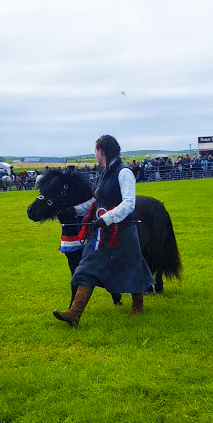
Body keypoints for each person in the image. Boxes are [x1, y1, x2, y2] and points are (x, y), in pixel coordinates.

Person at [53, 135, 155, 327]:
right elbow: (96, 202)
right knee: (87, 266)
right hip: (101, 233)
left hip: (123, 230)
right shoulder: (103, 173)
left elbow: (129, 203)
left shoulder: (124, 173)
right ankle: (74, 313)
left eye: (96, 150)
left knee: (132, 266)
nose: (94, 154)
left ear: (103, 150)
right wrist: (74, 210)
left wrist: (106, 218)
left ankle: (138, 307)